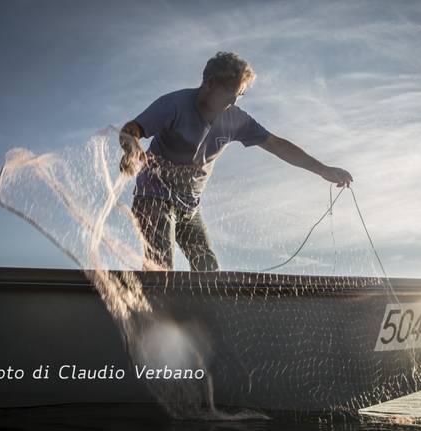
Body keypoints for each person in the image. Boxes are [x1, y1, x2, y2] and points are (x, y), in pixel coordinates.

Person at [119, 51, 353, 272]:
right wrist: (131, 150)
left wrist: (323, 169)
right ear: (209, 83)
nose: (234, 101)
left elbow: (277, 145)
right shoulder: (174, 105)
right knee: (160, 262)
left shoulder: (235, 120)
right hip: (154, 195)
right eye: (231, 92)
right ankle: (150, 307)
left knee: (209, 270)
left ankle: (204, 313)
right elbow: (131, 130)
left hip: (189, 203)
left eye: (240, 94)